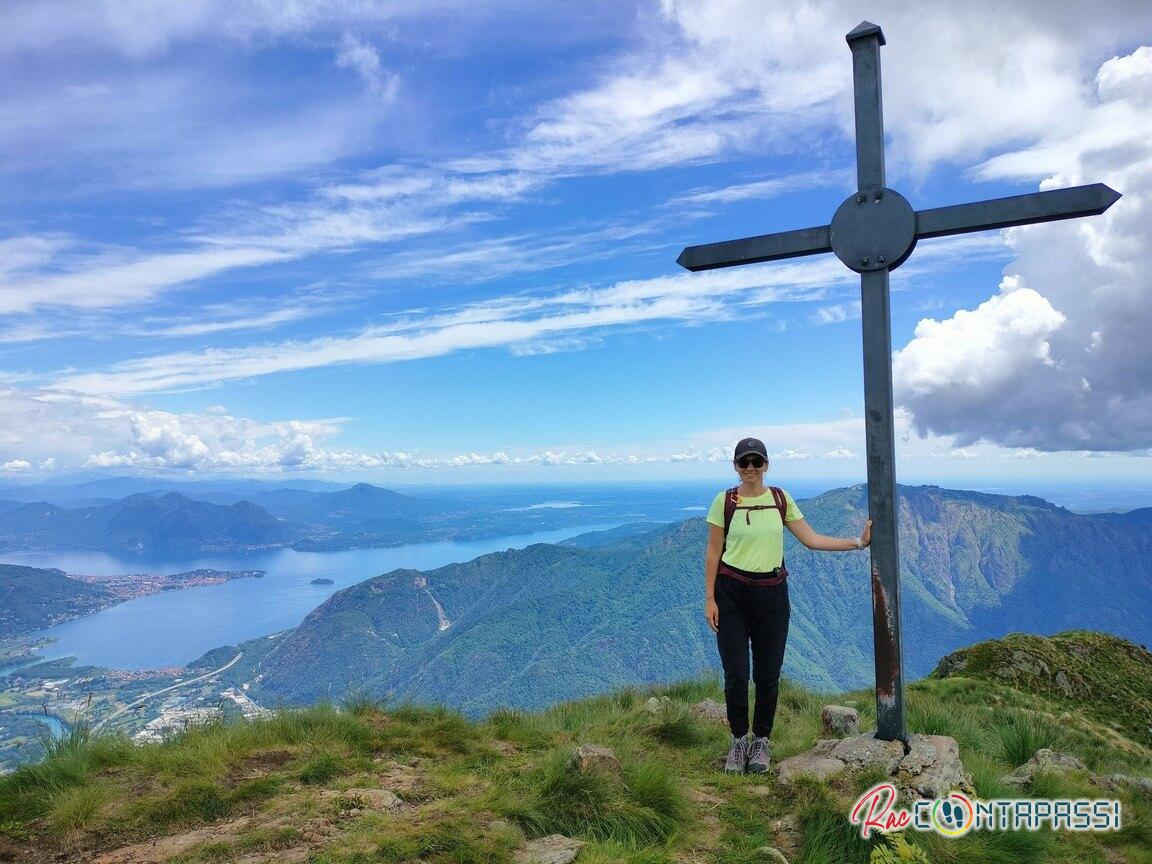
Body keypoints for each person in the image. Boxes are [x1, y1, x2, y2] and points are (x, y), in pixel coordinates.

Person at [704, 437, 872, 775]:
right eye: (744, 462)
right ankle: (739, 741)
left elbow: (811, 540)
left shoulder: (781, 500)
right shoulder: (724, 502)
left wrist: (858, 543)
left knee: (768, 675)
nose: (750, 468)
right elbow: (712, 552)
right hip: (731, 594)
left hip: (772, 594)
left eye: (757, 462)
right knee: (736, 674)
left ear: (766, 465)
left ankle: (761, 741)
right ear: (735, 466)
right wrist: (710, 599)